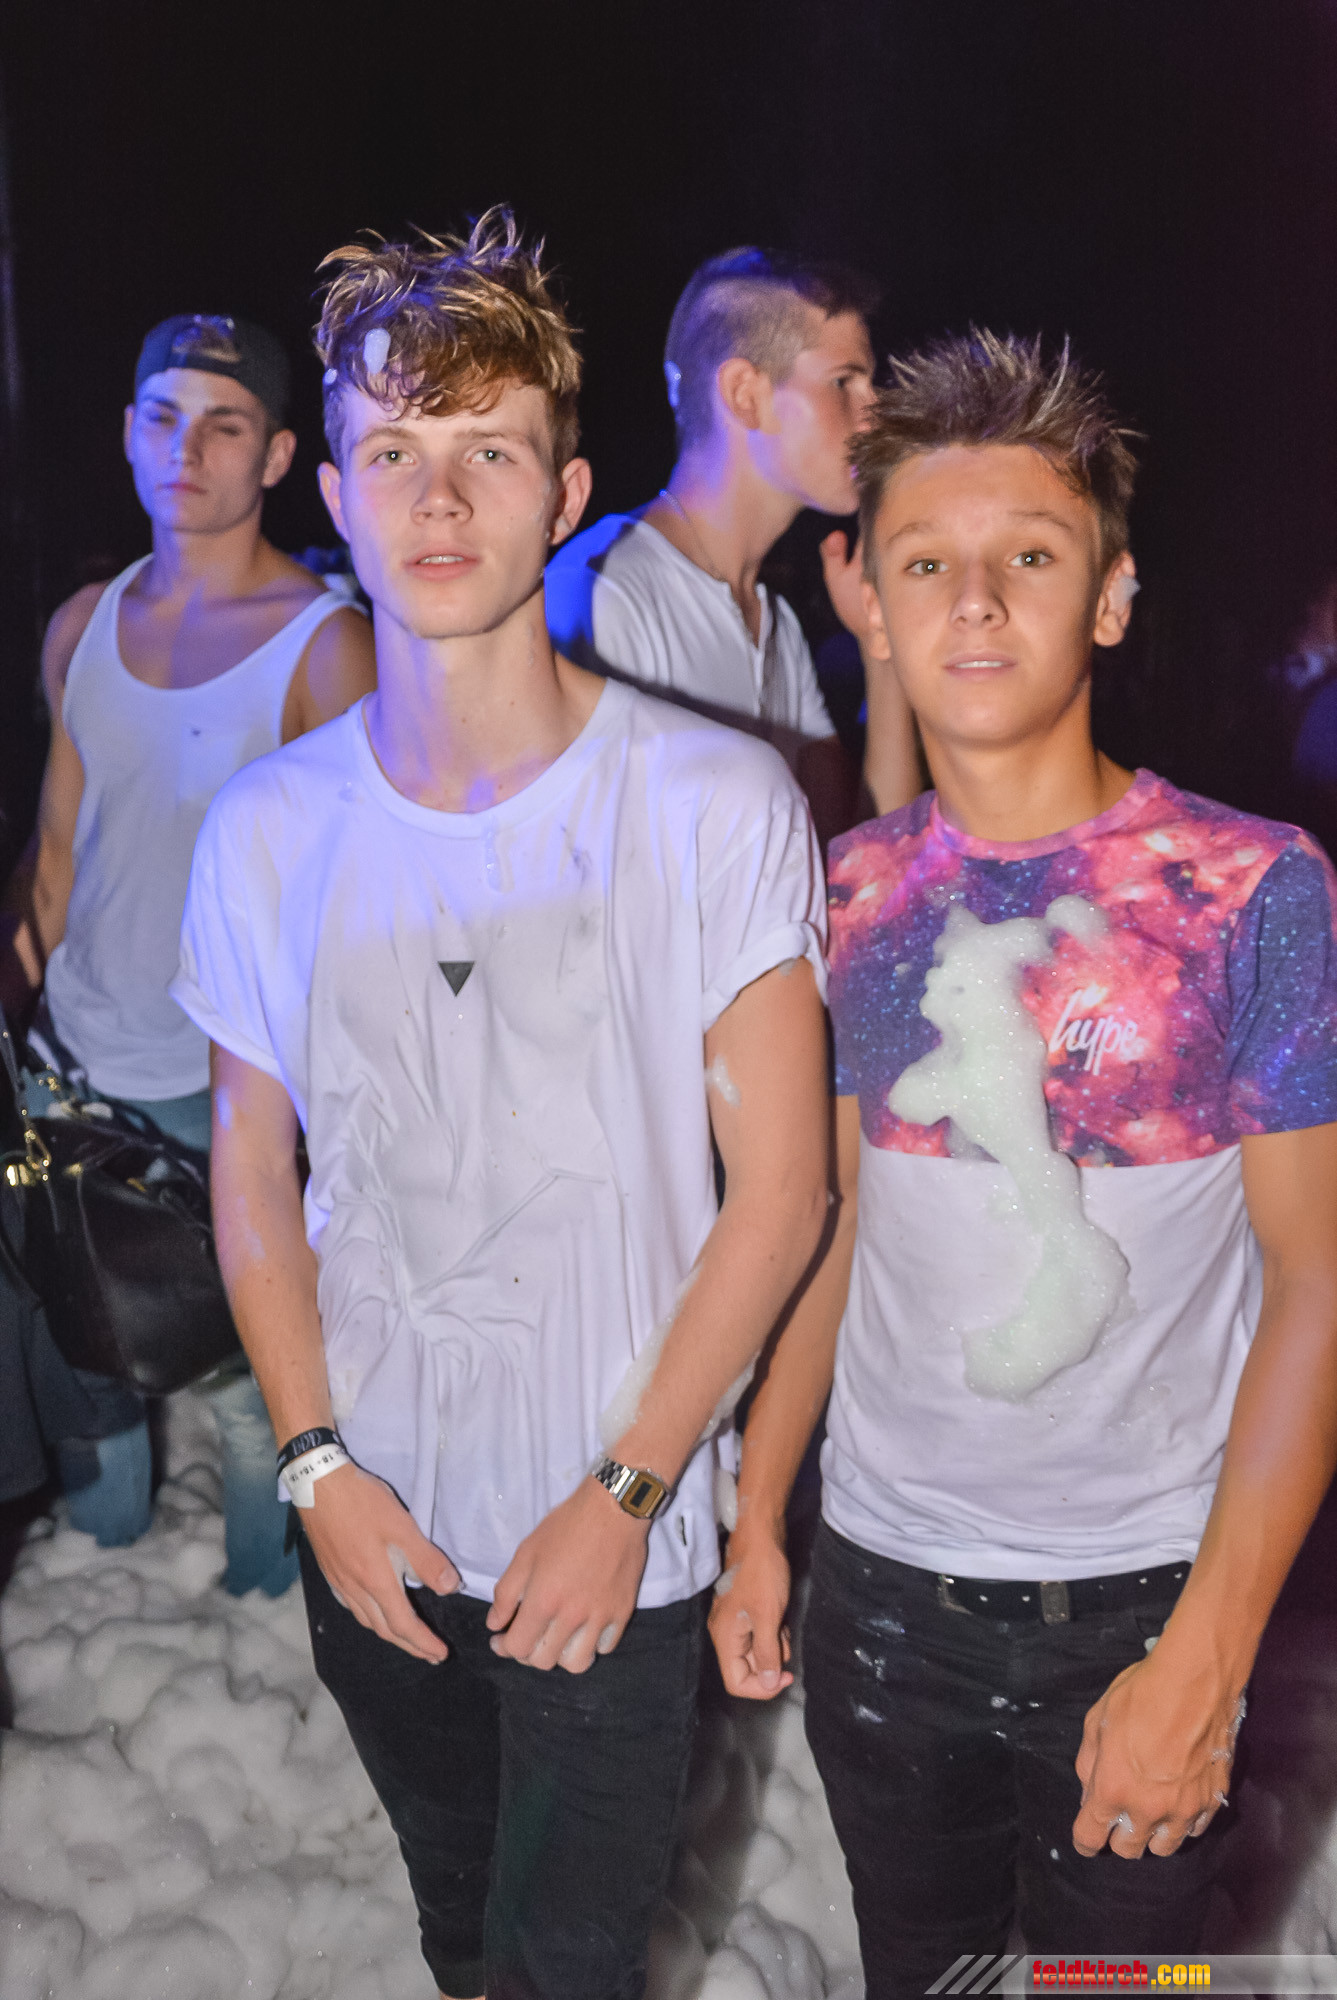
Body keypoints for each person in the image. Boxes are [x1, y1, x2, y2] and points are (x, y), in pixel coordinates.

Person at [171, 210, 829, 2000]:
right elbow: (253, 1165)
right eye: (395, 451)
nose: (441, 498)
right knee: (458, 1920)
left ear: (567, 494)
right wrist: (313, 1468)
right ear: (339, 493)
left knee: (569, 1963)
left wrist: (626, 1495)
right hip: (373, 1520)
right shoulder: (271, 829)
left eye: (490, 452)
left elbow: (782, 1192)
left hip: (612, 1532)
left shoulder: (711, 801)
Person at [709, 330, 1337, 1993]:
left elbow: (1317, 1283)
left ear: (1110, 598)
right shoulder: (846, 892)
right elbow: (833, 1223)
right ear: (873, 602)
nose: (975, 600)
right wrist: (760, 1510)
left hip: (1144, 1599)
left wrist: (1208, 1655)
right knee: (920, 1973)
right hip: (882, 1601)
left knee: (1122, 1988)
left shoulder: (1252, 889)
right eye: (928, 561)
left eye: (1031, 557)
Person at [13, 310, 377, 1592]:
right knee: (76, 1337)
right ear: (128, 432)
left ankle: (257, 1606)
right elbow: (59, 849)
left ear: (276, 453)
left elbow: (360, 908)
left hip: (215, 1074)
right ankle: (99, 1573)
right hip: (68, 1058)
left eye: (225, 424)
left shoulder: (327, 644)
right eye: (164, 418)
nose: (188, 448)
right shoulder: (82, 624)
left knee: (240, 1376)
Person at [544, 246, 922, 842]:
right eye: (844, 381)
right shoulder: (604, 592)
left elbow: (865, 858)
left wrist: (881, 647)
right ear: (745, 394)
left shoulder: (777, 627)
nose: (874, 411)